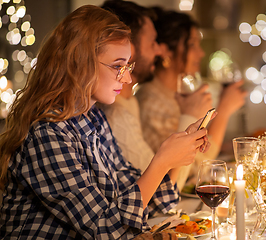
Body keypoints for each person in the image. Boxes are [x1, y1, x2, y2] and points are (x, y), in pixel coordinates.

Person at [0, 5, 210, 239]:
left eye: (128, 66)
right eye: (118, 66)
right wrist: (161, 162)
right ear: (80, 62)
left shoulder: (93, 118)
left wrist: (181, 151)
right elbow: (105, 229)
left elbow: (134, 199)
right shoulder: (47, 133)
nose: (128, 77)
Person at [135, 8, 247, 186]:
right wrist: (223, 111)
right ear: (166, 51)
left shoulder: (176, 94)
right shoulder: (150, 101)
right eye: (192, 44)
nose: (201, 53)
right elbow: (185, 173)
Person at [99, 0, 160, 173]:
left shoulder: (128, 103)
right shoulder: (113, 113)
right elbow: (155, 190)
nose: (159, 50)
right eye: (152, 42)